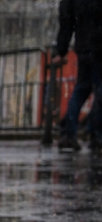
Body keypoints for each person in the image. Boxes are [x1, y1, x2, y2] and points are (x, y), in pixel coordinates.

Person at [56, 0, 102, 150]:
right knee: (99, 91)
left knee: (81, 89)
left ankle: (68, 134)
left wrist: (62, 50)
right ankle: (96, 135)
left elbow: (66, 22)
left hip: (83, 47)